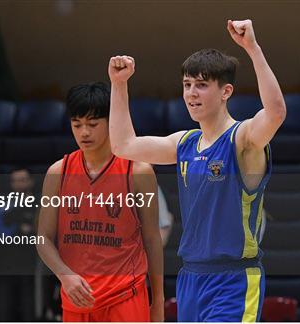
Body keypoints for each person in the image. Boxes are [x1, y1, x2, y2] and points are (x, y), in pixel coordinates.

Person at [108, 19, 286, 321]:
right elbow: (123, 145)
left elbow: (276, 112)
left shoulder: (242, 140)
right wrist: (119, 84)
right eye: (187, 85)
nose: (191, 93)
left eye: (202, 85)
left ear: (225, 91)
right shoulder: (185, 143)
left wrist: (252, 49)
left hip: (233, 280)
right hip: (191, 278)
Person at [36, 82, 164, 322]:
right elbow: (43, 239)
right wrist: (65, 276)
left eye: (93, 124)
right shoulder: (58, 172)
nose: (84, 132)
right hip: (77, 298)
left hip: (126, 296)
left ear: (110, 121)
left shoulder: (138, 171)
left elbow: (152, 238)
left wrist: (157, 301)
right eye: (77, 124)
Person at [0, 167, 37, 321]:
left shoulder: (41, 205)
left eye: (22, 180)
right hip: (6, 264)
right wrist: (16, 231)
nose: (19, 184)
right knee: (5, 310)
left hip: (31, 265)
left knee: (30, 309)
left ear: (30, 182)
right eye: (15, 181)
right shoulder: (4, 206)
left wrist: (32, 232)